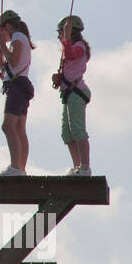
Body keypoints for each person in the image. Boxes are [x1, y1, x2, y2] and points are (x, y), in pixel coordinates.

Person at [0, 9, 35, 176]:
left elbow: (14, 60)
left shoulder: (17, 37)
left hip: (17, 87)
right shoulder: (22, 38)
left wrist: (3, 45)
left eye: (1, 31)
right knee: (19, 129)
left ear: (7, 26)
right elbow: (12, 66)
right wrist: (2, 53)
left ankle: (15, 167)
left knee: (8, 126)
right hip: (20, 85)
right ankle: (20, 168)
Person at [53, 15, 91, 176]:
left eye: (61, 32)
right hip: (69, 92)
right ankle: (77, 166)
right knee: (67, 133)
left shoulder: (79, 46)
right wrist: (59, 78)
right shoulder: (71, 45)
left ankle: (84, 167)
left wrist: (67, 37)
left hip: (77, 92)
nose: (59, 36)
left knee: (77, 129)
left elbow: (71, 55)